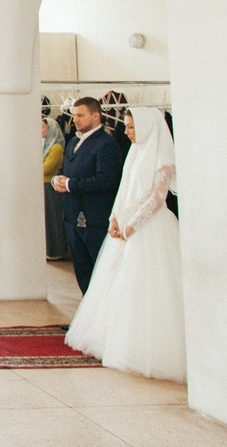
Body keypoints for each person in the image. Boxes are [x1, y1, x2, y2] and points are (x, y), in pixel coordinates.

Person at [65, 107, 185, 382]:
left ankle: (145, 349)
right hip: (126, 226)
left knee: (147, 288)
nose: (128, 133)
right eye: (127, 127)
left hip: (150, 227)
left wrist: (133, 224)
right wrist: (115, 219)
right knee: (117, 285)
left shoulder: (163, 158)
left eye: (132, 128)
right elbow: (123, 191)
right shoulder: (134, 153)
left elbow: (157, 197)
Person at [51, 96, 124, 293]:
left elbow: (106, 180)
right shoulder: (74, 140)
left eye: (81, 115)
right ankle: (87, 317)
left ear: (96, 116)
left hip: (94, 217)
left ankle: (102, 318)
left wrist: (70, 184)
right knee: (82, 269)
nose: (75, 120)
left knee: (99, 268)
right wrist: (58, 179)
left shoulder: (106, 144)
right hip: (72, 215)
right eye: (74, 115)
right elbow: (67, 170)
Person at [42, 118, 69, 261]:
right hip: (44, 185)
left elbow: (46, 168)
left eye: (44, 128)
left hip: (51, 187)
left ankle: (56, 249)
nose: (41, 131)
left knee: (53, 218)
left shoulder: (56, 148)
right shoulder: (45, 145)